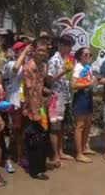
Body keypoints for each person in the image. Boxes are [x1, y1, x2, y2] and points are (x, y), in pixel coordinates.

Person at [22, 40, 51, 180]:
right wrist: (34, 112)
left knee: (41, 137)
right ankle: (35, 171)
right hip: (31, 108)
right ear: (33, 51)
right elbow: (29, 91)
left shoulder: (43, 66)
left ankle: (40, 166)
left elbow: (39, 86)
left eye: (44, 51)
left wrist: (48, 91)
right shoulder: (28, 67)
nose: (42, 53)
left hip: (40, 106)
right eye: (39, 50)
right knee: (34, 139)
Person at [47, 35, 75, 166]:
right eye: (68, 46)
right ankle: (55, 155)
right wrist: (64, 71)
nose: (69, 49)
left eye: (70, 46)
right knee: (55, 127)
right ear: (62, 45)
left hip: (65, 96)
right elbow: (50, 80)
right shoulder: (54, 60)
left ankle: (61, 151)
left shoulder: (66, 59)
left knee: (62, 127)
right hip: (56, 97)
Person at [2, 42, 30, 171]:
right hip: (14, 102)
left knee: (21, 131)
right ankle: (9, 157)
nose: (25, 52)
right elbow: (15, 69)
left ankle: (20, 156)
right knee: (14, 131)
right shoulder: (11, 63)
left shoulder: (27, 64)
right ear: (17, 52)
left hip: (24, 101)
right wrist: (24, 54)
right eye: (22, 50)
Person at [71, 47, 94, 163]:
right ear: (80, 56)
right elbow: (73, 85)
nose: (88, 56)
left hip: (88, 96)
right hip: (80, 97)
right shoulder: (78, 67)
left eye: (90, 55)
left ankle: (84, 148)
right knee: (80, 126)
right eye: (85, 55)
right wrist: (88, 84)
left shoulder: (88, 67)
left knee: (88, 124)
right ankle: (79, 153)